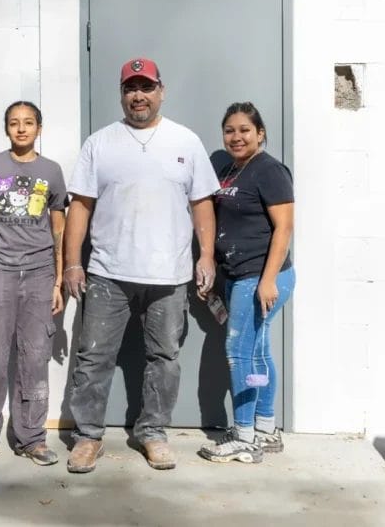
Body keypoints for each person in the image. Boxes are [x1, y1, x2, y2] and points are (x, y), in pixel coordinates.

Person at [63, 57, 219, 473]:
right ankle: (88, 436)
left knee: (164, 357)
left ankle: (153, 433)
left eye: (146, 87)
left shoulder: (186, 142)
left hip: (170, 274)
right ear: (122, 95)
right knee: (93, 357)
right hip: (107, 272)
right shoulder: (100, 143)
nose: (139, 95)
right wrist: (72, 263)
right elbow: (80, 205)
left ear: (160, 91)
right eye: (131, 88)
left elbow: (202, 203)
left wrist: (205, 254)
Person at [0, 101, 67, 466]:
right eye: (14, 123)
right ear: (6, 129)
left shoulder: (51, 171)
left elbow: (59, 229)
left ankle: (31, 438)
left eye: (29, 123)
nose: (21, 129)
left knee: (35, 359)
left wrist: (57, 281)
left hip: (39, 275)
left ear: (39, 128)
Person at [198, 101, 295, 464]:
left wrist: (267, 281)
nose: (236, 137)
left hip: (261, 277)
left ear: (260, 133)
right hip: (241, 275)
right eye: (229, 131)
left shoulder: (269, 170)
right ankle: (265, 428)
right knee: (258, 352)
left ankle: (243, 436)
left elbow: (284, 228)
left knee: (239, 352)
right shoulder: (230, 170)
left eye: (244, 130)